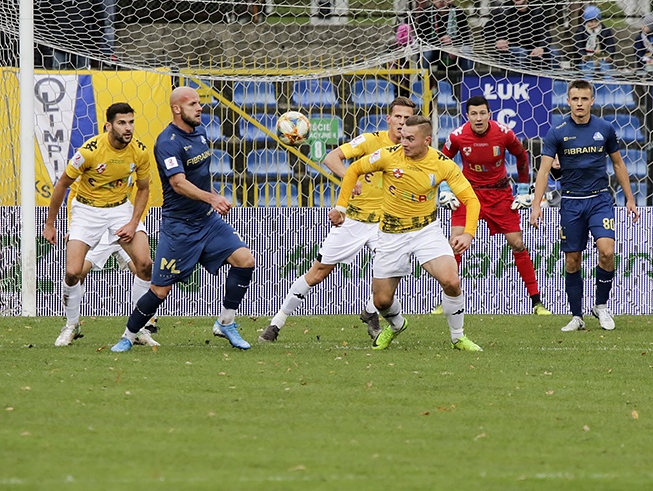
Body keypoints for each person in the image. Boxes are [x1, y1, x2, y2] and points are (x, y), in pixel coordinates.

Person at [258, 97, 416, 343]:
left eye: (408, 119)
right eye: (398, 117)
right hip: (354, 220)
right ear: (389, 119)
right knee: (318, 273)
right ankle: (276, 323)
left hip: (386, 223)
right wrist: (350, 178)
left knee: (392, 271)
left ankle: (371, 312)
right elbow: (331, 158)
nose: (402, 123)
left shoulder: (412, 152)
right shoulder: (370, 140)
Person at [110, 87, 255, 352]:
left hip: (207, 221)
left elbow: (199, 177)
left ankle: (226, 322)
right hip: (179, 227)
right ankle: (129, 335)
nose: (199, 108)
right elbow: (178, 184)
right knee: (159, 290)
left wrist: (212, 196)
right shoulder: (167, 142)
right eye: (192, 104)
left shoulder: (200, 131)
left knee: (245, 260)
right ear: (177, 109)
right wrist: (211, 199)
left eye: (199, 103)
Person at [330, 115, 483, 351]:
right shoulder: (388, 155)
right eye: (402, 137)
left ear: (427, 140)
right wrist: (341, 207)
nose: (404, 143)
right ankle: (397, 325)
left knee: (451, 280)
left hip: (426, 230)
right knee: (382, 300)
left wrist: (468, 234)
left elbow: (471, 200)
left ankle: (458, 337)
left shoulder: (443, 164)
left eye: (411, 139)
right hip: (391, 234)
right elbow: (354, 170)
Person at [529, 79, 640, 332]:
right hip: (571, 202)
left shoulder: (605, 128)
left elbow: (619, 164)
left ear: (592, 100)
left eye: (584, 99)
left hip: (600, 199)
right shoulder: (557, 133)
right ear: (568, 101)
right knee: (572, 260)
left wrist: (630, 199)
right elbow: (544, 171)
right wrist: (536, 205)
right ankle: (577, 316)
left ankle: (601, 306)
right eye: (575, 99)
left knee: (607, 251)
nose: (579, 103)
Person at [42, 103, 156, 347]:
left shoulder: (140, 151)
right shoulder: (89, 151)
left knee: (145, 265)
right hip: (86, 210)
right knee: (73, 272)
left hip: (120, 210)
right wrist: (50, 224)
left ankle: (138, 328)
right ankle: (72, 325)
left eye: (131, 122)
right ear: (109, 125)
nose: (128, 128)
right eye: (122, 123)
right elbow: (62, 184)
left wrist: (133, 222)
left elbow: (144, 189)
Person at [436, 95, 550, 315]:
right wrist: (445, 189)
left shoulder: (504, 133)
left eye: (482, 113)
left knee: (517, 243)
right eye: (473, 114)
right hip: (468, 194)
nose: (478, 118)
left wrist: (524, 189)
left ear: (489, 114)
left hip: (499, 194)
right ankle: (446, 301)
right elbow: (442, 160)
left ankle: (536, 301)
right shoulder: (458, 136)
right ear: (466, 116)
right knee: (455, 242)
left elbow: (521, 155)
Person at [46, 0, 97, 69]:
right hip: (58, 44)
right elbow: (43, 20)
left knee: (83, 75)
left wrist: (93, 44)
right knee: (58, 74)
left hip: (82, 44)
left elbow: (97, 22)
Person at [484, 0, 556, 69]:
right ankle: (520, 79)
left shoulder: (537, 11)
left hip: (534, 47)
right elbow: (487, 29)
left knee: (554, 52)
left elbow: (545, 34)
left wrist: (541, 47)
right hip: (511, 47)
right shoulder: (503, 11)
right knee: (521, 52)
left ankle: (554, 79)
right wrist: (497, 40)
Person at [414, 0, 474, 72]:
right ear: (432, 0)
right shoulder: (426, 13)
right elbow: (421, 37)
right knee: (426, 53)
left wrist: (452, 42)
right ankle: (424, 82)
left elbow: (465, 37)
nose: (441, 1)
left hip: (454, 46)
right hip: (433, 47)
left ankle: (468, 81)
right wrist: (440, 41)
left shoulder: (459, 13)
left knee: (466, 50)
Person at [574, 4, 619, 73]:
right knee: (587, 73)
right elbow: (578, 47)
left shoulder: (605, 31)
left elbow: (611, 46)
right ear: (586, 21)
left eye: (596, 21)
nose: (594, 24)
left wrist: (607, 55)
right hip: (587, 61)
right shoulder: (580, 32)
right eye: (591, 22)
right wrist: (584, 55)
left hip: (602, 60)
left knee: (606, 72)